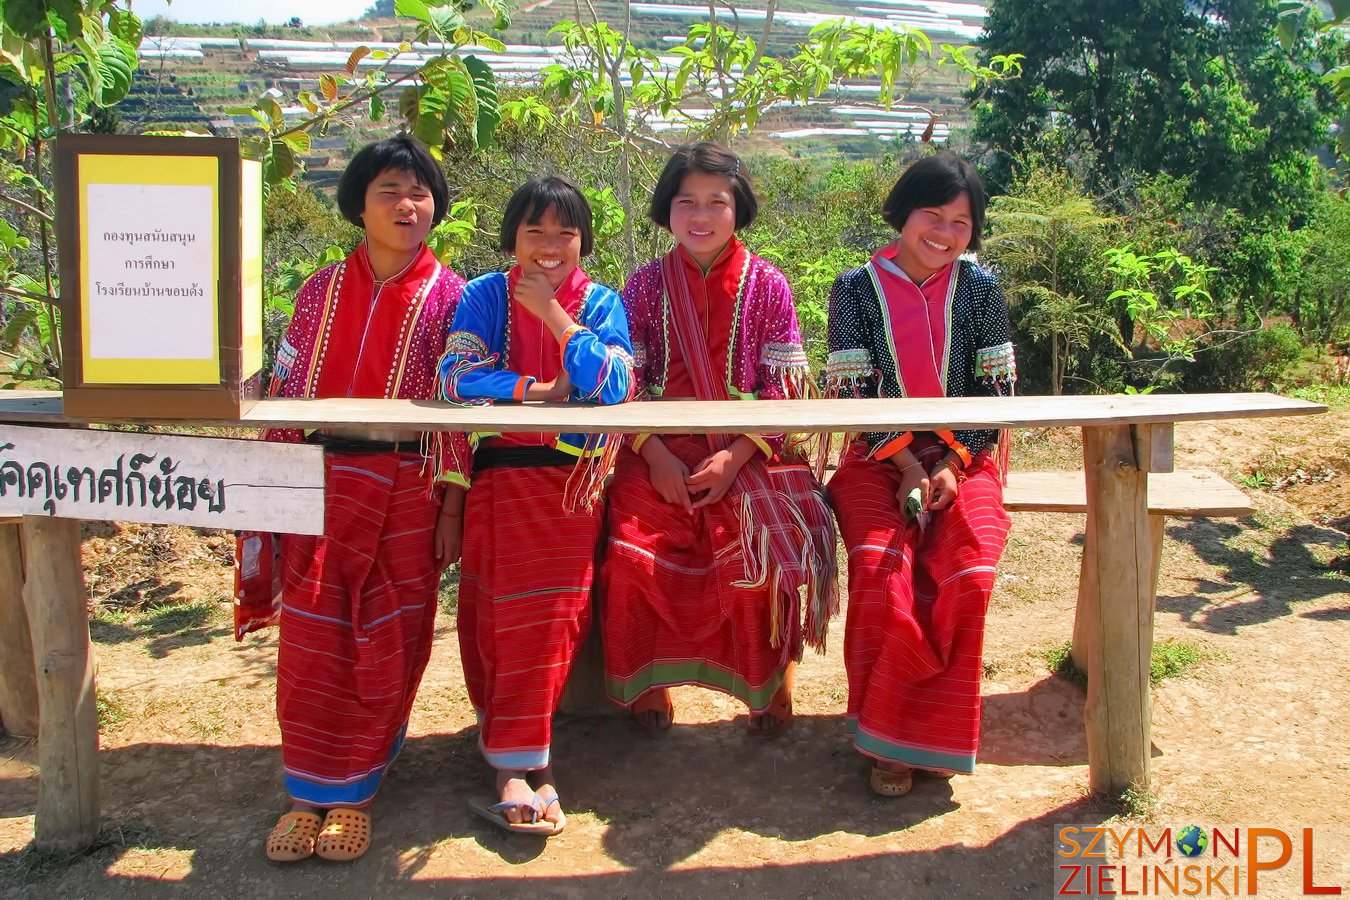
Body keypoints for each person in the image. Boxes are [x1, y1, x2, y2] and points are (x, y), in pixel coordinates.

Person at [238, 136, 468, 862]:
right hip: (324, 478)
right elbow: (284, 393)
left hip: (409, 485)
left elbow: (460, 406)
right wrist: (273, 494)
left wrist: (453, 503)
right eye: (390, 191)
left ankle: (356, 788)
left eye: (420, 192)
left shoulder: (455, 296)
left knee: (389, 636)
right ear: (358, 206)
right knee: (313, 641)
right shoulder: (319, 291)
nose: (408, 205)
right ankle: (308, 792)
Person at [601, 142, 836, 737]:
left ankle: (773, 685)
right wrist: (653, 456)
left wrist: (734, 458)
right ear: (667, 209)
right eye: (686, 202)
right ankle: (650, 687)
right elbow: (623, 383)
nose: (700, 216)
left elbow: (785, 391)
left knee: (760, 556)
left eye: (716, 202)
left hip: (750, 449)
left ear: (739, 209)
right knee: (633, 556)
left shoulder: (768, 286)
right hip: (654, 449)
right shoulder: (644, 286)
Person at [439, 175, 633, 835]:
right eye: (534, 233)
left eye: (565, 233)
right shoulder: (482, 295)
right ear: (511, 237)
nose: (549, 247)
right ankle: (516, 769)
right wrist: (541, 389)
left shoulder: (602, 302)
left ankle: (526, 759)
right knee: (502, 622)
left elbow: (611, 384)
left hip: (574, 486)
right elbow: (455, 377)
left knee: (556, 624)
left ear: (584, 240)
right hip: (502, 479)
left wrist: (554, 314)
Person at [824, 151, 1017, 797]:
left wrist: (957, 464)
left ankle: (935, 734)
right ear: (904, 213)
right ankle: (889, 741)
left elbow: (996, 394)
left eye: (961, 221)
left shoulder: (984, 290)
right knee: (885, 570)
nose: (943, 231)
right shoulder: (854, 288)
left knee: (970, 567)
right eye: (931, 214)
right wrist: (908, 462)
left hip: (968, 459)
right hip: (876, 458)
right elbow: (852, 394)